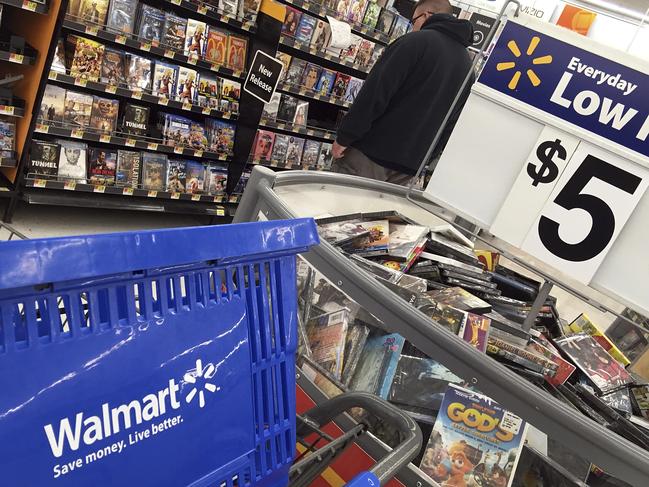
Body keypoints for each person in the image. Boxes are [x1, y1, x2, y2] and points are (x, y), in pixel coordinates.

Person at [332, 0, 474, 186]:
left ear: (426, 15)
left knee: (337, 207)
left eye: (413, 20)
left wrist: (345, 136)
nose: (412, 26)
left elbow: (375, 92)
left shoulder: (413, 43)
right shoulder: (468, 68)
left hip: (369, 154)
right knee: (375, 214)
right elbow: (452, 122)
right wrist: (426, 160)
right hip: (409, 168)